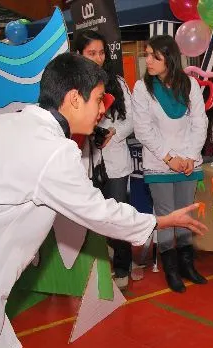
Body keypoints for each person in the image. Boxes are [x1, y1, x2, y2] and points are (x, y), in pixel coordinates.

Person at [0, 52, 206, 348]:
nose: (104, 109)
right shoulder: (54, 152)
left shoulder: (1, 124)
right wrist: (159, 221)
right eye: (99, 99)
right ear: (73, 98)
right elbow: (99, 213)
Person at [132, 35, 208, 293]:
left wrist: (188, 156)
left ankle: (188, 265)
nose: (148, 61)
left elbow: (200, 123)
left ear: (170, 59)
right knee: (165, 217)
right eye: (147, 55)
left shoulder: (190, 85)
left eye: (155, 56)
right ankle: (172, 270)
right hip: (159, 162)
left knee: (186, 213)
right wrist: (169, 158)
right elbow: (143, 129)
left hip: (188, 162)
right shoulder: (142, 88)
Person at [73, 29, 135, 290]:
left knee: (119, 215)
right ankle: (96, 267)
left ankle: (123, 266)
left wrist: (114, 133)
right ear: (78, 55)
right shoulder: (71, 88)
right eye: (91, 53)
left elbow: (132, 119)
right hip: (85, 165)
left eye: (100, 53)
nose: (97, 59)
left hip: (116, 163)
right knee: (92, 219)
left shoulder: (117, 83)